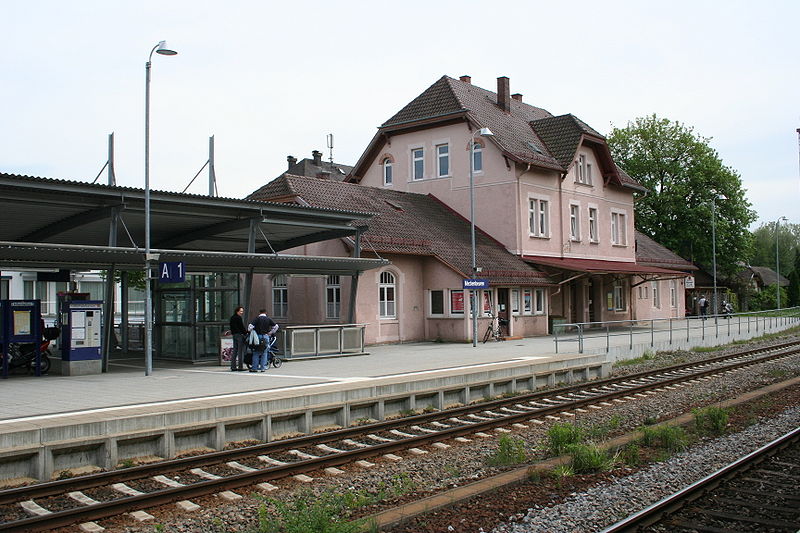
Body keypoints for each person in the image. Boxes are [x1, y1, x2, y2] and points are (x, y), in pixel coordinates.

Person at [228, 306, 247, 371]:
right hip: (239, 335)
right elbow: (241, 327)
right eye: (241, 311)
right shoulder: (238, 318)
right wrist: (245, 332)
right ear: (237, 311)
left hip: (234, 335)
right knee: (240, 351)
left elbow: (232, 327)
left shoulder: (232, 318)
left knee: (235, 351)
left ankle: (233, 366)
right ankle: (240, 367)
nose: (242, 312)